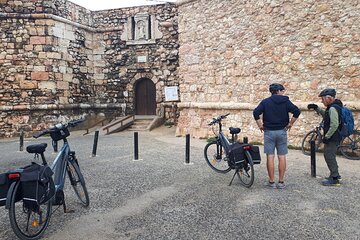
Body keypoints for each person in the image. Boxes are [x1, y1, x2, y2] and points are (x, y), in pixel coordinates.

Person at [253, 83, 301, 189]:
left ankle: (271, 182)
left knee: (270, 156)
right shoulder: (286, 101)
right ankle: (281, 182)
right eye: (282, 90)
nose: (283, 92)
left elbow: (256, 113)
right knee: (282, 156)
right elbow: (297, 111)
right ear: (278, 91)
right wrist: (290, 124)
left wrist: (260, 125)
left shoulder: (265, 102)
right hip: (282, 131)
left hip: (269, 132)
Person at [307, 88, 342, 186]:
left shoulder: (333, 108)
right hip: (334, 136)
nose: (322, 101)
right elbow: (326, 116)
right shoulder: (332, 107)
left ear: (329, 98)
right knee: (330, 155)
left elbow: (334, 124)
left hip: (333, 137)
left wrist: (327, 137)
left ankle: (335, 179)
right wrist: (316, 108)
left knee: (329, 156)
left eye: (323, 99)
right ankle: (334, 175)